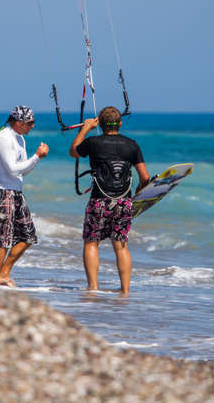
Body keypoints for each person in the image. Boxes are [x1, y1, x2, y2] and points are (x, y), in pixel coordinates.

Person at [70, 106, 150, 296]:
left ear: (102, 124)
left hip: (99, 200)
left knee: (91, 242)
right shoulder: (132, 145)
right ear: (120, 124)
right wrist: (138, 193)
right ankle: (125, 290)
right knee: (121, 245)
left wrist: (86, 128)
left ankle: (93, 287)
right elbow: (145, 178)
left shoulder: (93, 142)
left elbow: (74, 151)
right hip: (123, 202)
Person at [0, 105, 49, 287]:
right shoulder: (3, 137)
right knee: (2, 241)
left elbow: (23, 171)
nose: (33, 126)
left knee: (28, 237)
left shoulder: (20, 138)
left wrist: (36, 158)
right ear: (19, 122)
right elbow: (12, 169)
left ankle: (4, 273)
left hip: (17, 193)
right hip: (2, 193)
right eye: (30, 123)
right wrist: (37, 156)